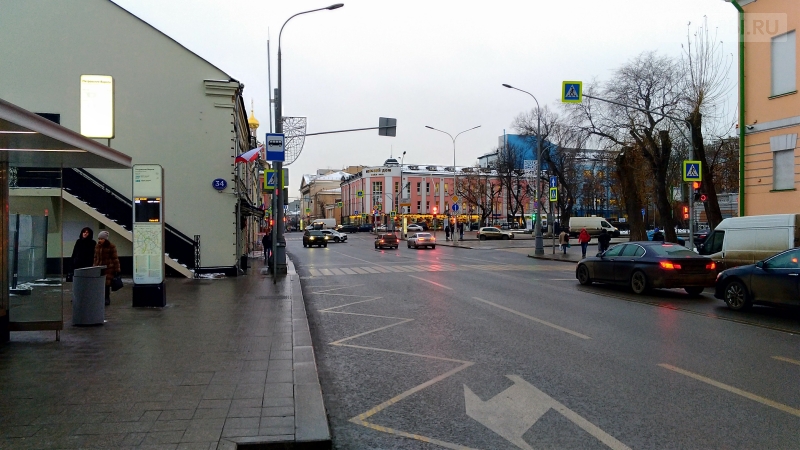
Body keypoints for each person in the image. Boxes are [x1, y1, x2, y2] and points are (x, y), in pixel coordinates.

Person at [93, 231, 120, 306]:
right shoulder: (97, 246)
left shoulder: (111, 246)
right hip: (98, 268)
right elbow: (95, 257)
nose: (100, 240)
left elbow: (115, 258)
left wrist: (117, 269)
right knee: (99, 284)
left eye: (101, 239)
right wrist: (94, 266)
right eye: (99, 239)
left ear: (105, 239)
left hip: (108, 268)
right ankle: (100, 298)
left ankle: (106, 298)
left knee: (106, 284)